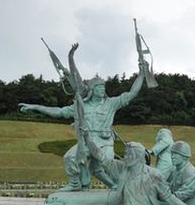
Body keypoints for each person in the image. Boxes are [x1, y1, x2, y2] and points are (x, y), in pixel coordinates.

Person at [18, 43, 146, 191]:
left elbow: (132, 93)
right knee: (70, 158)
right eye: (99, 87)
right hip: (86, 141)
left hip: (104, 142)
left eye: (103, 87)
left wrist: (141, 74)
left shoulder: (111, 103)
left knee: (101, 168)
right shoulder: (81, 105)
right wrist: (34, 107)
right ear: (92, 90)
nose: (102, 90)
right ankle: (75, 184)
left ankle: (118, 186)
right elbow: (59, 111)